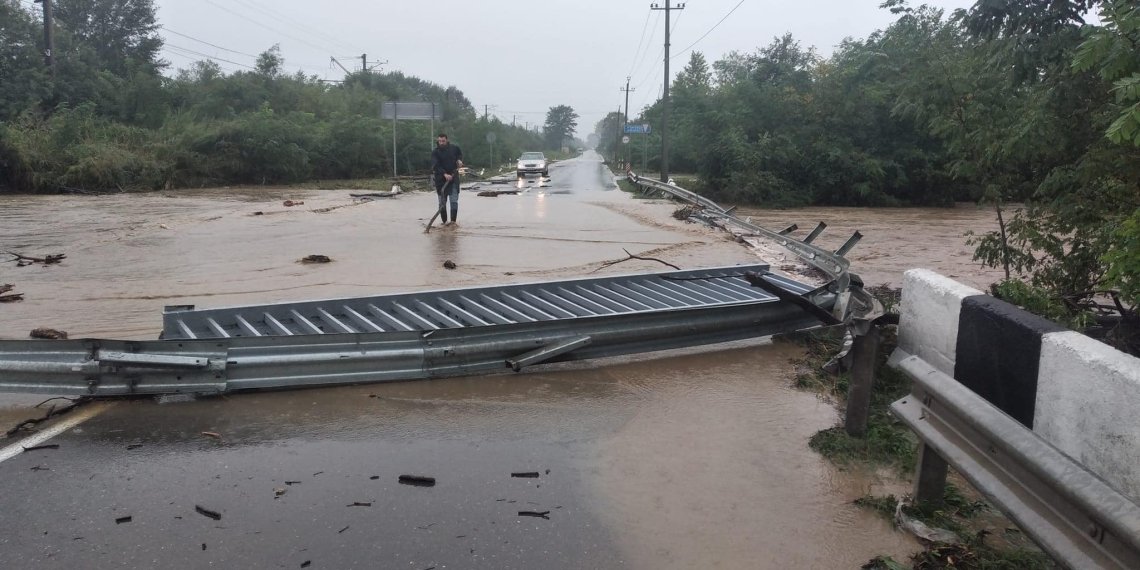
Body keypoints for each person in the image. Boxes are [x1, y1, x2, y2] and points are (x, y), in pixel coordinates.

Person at [430, 133, 464, 226]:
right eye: (439, 141)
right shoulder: (435, 152)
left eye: (443, 141)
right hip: (441, 181)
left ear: (447, 140)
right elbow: (435, 166)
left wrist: (459, 160)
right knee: (442, 203)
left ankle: (453, 223)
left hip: (453, 178)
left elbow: (459, 155)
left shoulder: (454, 148)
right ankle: (444, 223)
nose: (441, 143)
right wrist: (444, 174)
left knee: (454, 201)